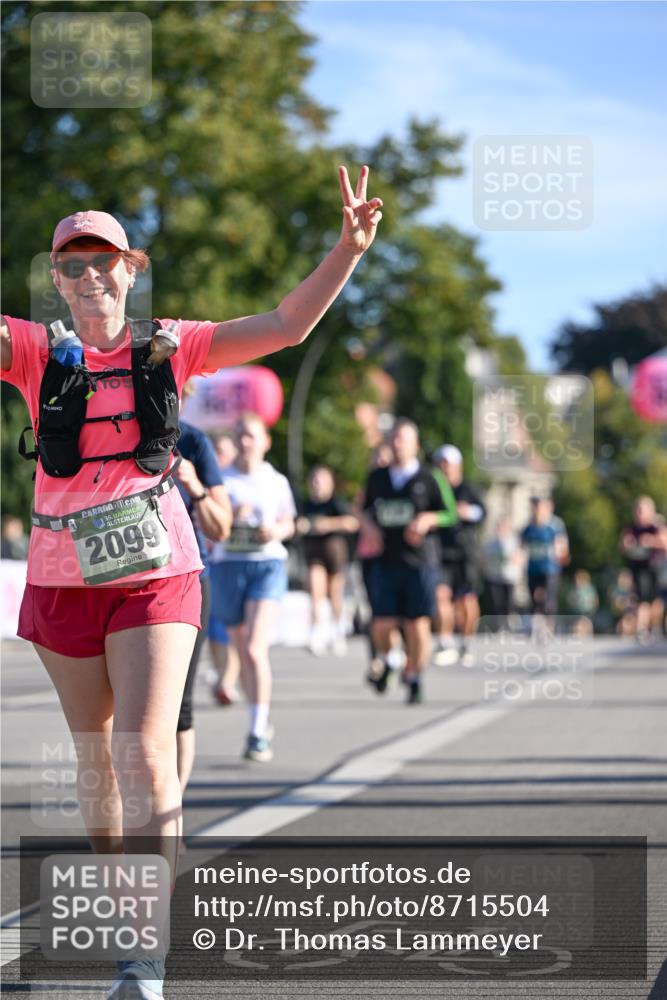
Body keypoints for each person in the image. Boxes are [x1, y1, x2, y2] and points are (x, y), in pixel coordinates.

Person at [0, 165, 381, 1000]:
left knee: (143, 749)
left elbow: (283, 325)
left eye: (105, 260)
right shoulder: (32, 349)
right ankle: (125, 904)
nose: (90, 275)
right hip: (62, 575)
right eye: (73, 264)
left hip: (158, 571)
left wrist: (345, 251)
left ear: (131, 270)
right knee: (96, 763)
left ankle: (144, 961)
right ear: (56, 279)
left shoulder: (173, 343)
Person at [208, 412, 296, 761]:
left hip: (267, 564)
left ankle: (258, 730)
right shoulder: (221, 480)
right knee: (242, 649)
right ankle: (256, 716)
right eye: (240, 435)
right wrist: (230, 515)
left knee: (256, 648)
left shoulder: (276, 481)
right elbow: (209, 526)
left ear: (265, 442)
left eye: (252, 436)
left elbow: (290, 522)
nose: (246, 442)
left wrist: (276, 531)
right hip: (229, 566)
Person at [174, 383, 232, 794]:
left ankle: (169, 815)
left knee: (178, 705)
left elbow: (221, 526)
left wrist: (194, 487)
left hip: (187, 582)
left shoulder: (193, 442)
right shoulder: (108, 431)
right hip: (117, 582)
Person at [362, 419, 445, 704]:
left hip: (419, 561)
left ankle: (415, 676)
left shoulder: (429, 477)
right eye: (393, 438)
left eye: (403, 439)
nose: (397, 444)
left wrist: (427, 519)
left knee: (416, 625)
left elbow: (450, 514)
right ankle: (390, 658)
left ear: (415, 446)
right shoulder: (378, 478)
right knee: (381, 623)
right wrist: (370, 527)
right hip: (386, 558)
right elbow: (362, 510)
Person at [432, 445, 486, 668]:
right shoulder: (433, 490)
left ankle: (466, 641)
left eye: (449, 464)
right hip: (440, 551)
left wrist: (468, 511)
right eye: (441, 464)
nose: (445, 469)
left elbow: (482, 512)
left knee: (467, 600)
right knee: (440, 596)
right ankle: (445, 642)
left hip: (465, 553)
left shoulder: (468, 489)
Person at [297, 465, 359, 655]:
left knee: (334, 592)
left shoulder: (336, 503)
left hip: (335, 552)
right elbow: (297, 522)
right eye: (314, 480)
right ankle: (316, 631)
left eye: (321, 480)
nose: (317, 485)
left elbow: (352, 522)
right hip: (314, 553)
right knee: (316, 591)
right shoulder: (306, 505)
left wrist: (326, 524)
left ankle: (337, 629)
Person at [207, 429, 242, 705]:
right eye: (214, 449)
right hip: (210, 562)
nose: (217, 455)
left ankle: (228, 680)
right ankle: (222, 676)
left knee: (231, 626)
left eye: (222, 450)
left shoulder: (236, 481)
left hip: (235, 563)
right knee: (214, 628)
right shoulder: (205, 480)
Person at [619, 495, 666, 644]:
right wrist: (628, 544)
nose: (639, 513)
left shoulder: (656, 526)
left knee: (656, 600)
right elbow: (622, 544)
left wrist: (650, 541)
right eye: (637, 509)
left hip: (655, 566)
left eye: (642, 509)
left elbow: (664, 543)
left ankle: (655, 627)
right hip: (638, 567)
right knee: (642, 598)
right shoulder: (631, 527)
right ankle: (642, 629)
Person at [521, 497, 570, 628]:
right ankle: (536, 623)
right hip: (533, 567)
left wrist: (562, 553)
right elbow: (522, 545)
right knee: (534, 598)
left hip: (550, 568)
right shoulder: (529, 527)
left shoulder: (555, 525)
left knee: (549, 596)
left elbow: (562, 543)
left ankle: (549, 625)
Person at [482, 516, 524, 630]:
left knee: (508, 603)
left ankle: (508, 623)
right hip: (494, 577)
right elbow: (484, 560)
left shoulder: (514, 542)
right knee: (496, 603)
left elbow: (520, 558)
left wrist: (513, 559)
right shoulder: (490, 544)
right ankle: (498, 626)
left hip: (509, 577)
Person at [565, 569, 599, 636]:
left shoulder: (590, 589)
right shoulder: (573, 589)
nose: (577, 582)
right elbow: (569, 601)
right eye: (576, 580)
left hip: (588, 613)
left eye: (579, 579)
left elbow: (595, 600)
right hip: (575, 613)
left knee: (584, 624)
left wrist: (591, 606)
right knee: (576, 625)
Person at [608, 568, 638, 636]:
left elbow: (635, 603)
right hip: (620, 615)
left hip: (632, 614)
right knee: (625, 622)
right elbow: (616, 605)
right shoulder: (615, 591)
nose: (625, 581)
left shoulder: (632, 590)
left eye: (627, 578)